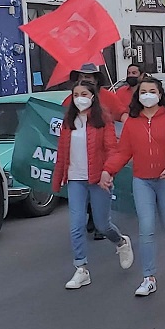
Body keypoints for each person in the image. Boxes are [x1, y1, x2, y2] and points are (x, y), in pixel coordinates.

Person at [105, 77, 165, 296]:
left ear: (160, 95)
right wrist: (109, 170)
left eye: (152, 91)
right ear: (138, 95)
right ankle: (149, 277)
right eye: (143, 91)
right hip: (142, 180)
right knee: (146, 228)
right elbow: (123, 151)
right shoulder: (132, 122)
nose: (147, 95)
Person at [52, 81, 135, 290]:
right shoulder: (68, 122)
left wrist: (108, 172)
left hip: (98, 179)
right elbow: (62, 152)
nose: (80, 98)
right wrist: (58, 178)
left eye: (84, 94)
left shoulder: (103, 121)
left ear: (92, 97)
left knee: (102, 225)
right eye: (76, 94)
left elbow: (112, 149)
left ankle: (121, 242)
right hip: (75, 180)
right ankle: (81, 268)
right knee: (76, 224)